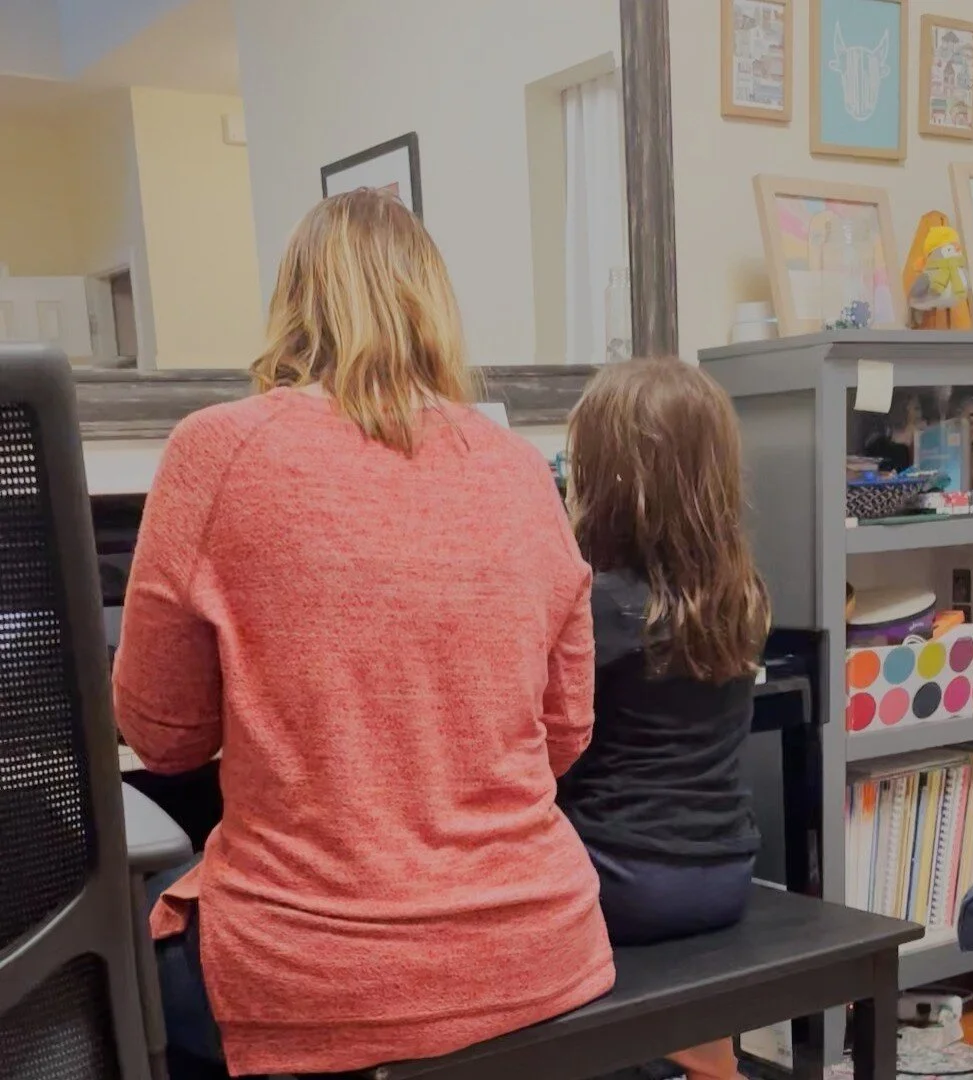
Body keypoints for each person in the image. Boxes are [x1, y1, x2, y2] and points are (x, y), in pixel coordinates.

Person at [114, 187, 614, 1079]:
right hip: (538, 947)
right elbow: (566, 733)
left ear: (294, 304)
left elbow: (163, 738)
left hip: (314, 976)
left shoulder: (215, 450)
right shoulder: (521, 471)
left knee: (119, 952)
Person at [559, 358, 770, 1080]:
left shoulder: (598, 602)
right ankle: (703, 1057)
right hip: (726, 870)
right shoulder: (738, 595)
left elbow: (548, 748)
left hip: (620, 881)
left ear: (604, 476)